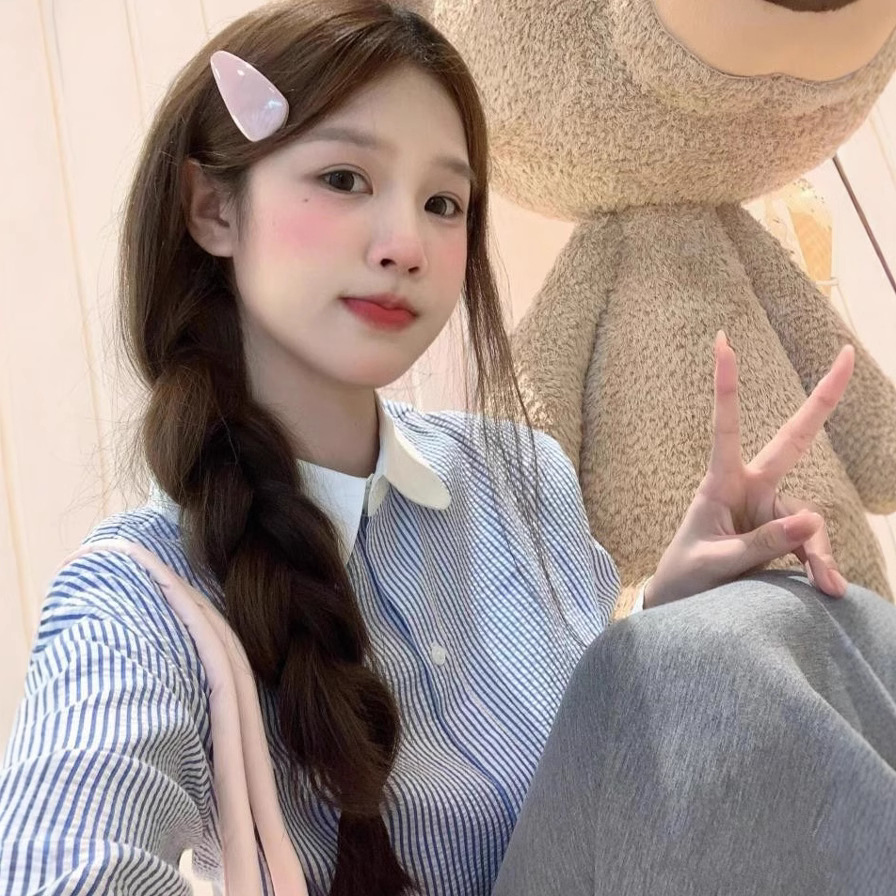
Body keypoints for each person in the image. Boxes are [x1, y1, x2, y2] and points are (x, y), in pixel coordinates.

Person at [1, 1, 895, 894]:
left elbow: (596, 800)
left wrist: (668, 617)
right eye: (345, 178)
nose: (406, 246)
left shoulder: (525, 478)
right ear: (212, 208)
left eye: (443, 203)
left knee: (795, 615)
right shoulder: (140, 596)